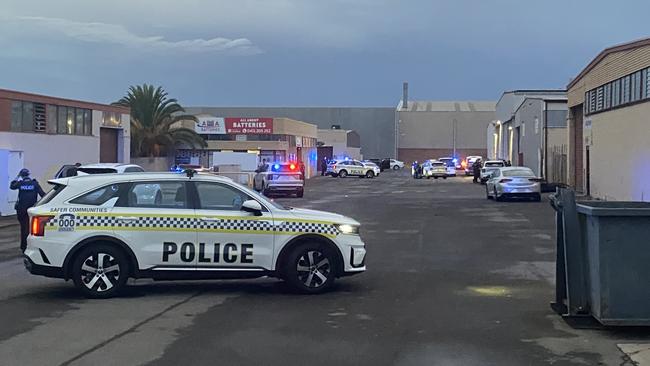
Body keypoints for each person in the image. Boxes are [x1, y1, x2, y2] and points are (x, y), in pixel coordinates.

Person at [10, 169, 46, 252]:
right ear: (29, 175)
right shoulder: (35, 183)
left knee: (24, 228)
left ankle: (24, 247)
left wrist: (17, 177)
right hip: (32, 210)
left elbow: (12, 186)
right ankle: (32, 246)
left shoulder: (20, 183)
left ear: (22, 175)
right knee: (32, 229)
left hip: (21, 210)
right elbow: (43, 195)